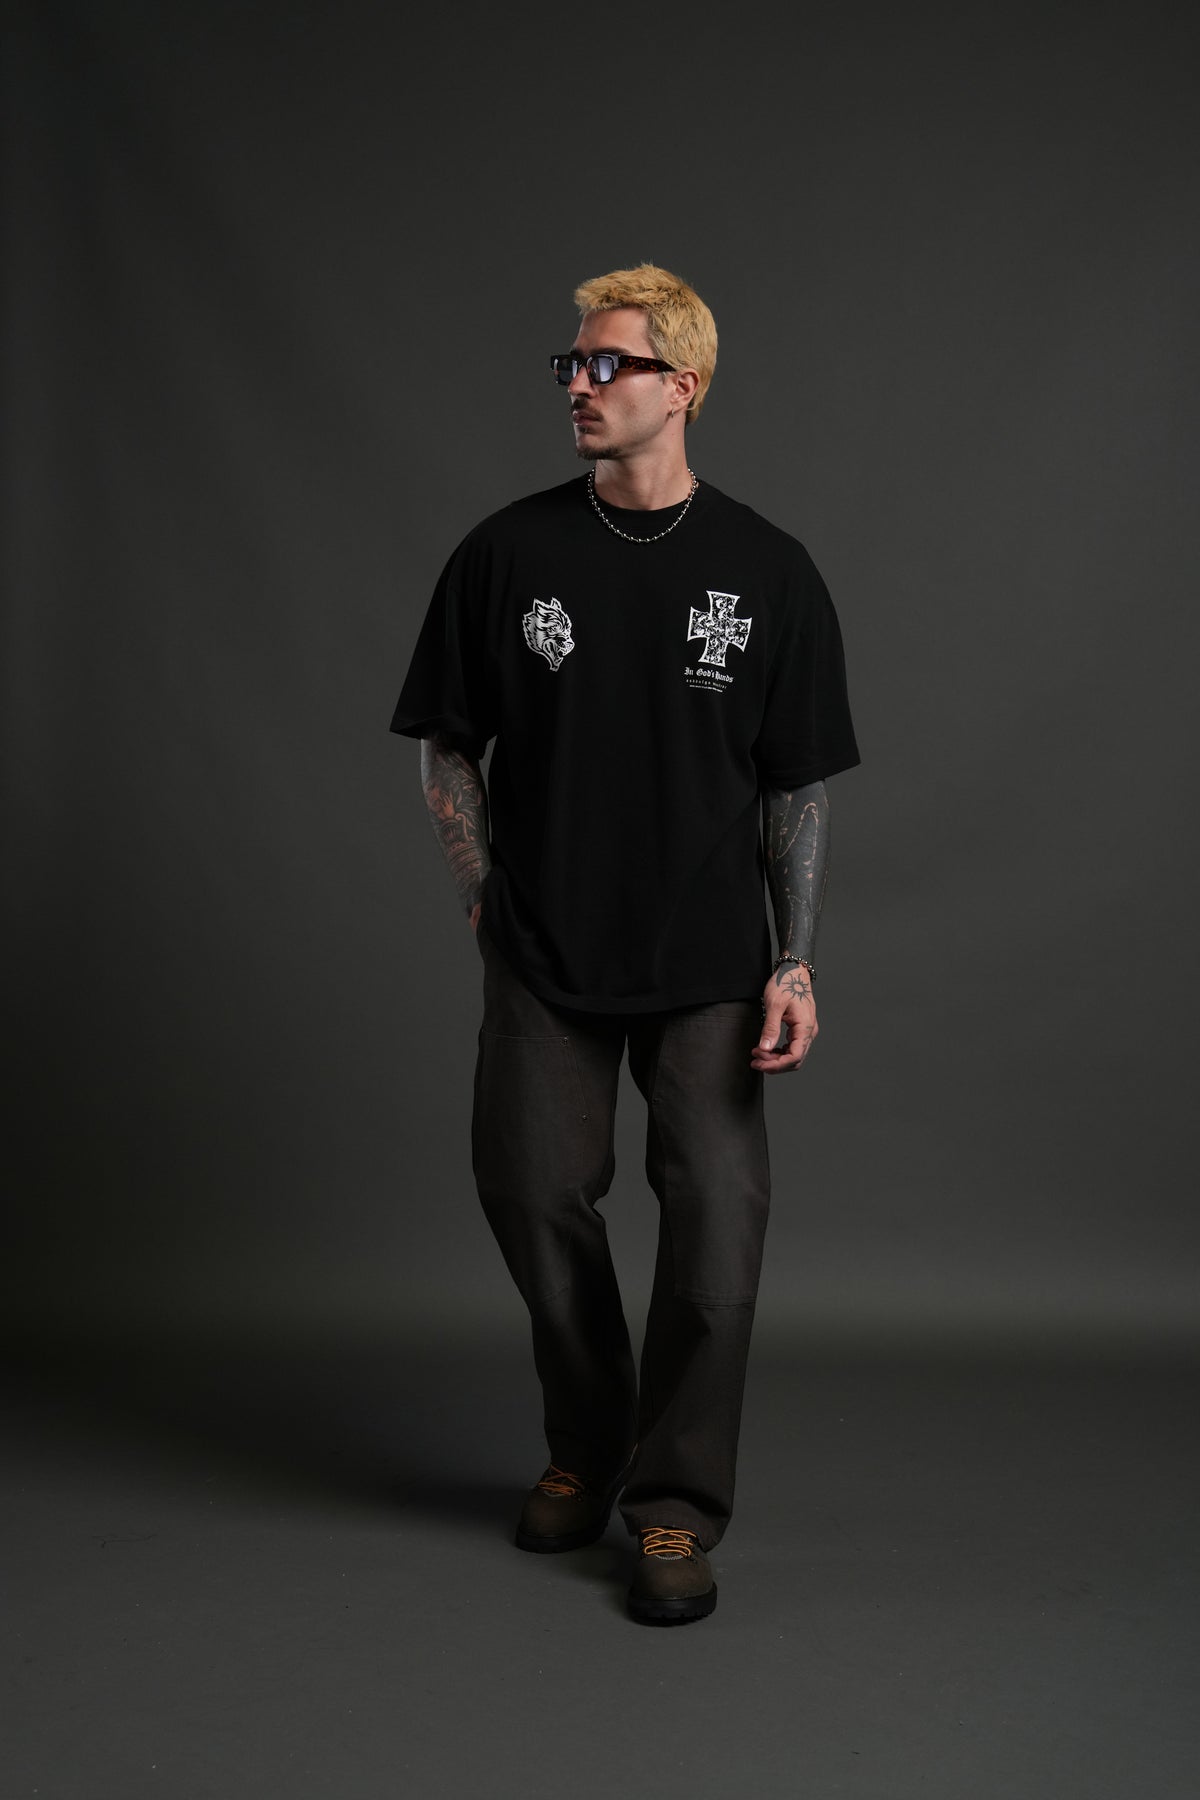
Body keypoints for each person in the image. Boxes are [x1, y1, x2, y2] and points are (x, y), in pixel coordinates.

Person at [391, 264, 859, 1625]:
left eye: (611, 365)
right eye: (574, 364)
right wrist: (481, 888)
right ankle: (588, 1443)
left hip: (710, 960)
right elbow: (446, 746)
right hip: (546, 948)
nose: (582, 386)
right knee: (530, 1189)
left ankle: (674, 1504)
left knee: (716, 1222)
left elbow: (796, 786)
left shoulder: (769, 570)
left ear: (683, 387)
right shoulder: (508, 554)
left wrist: (796, 958)